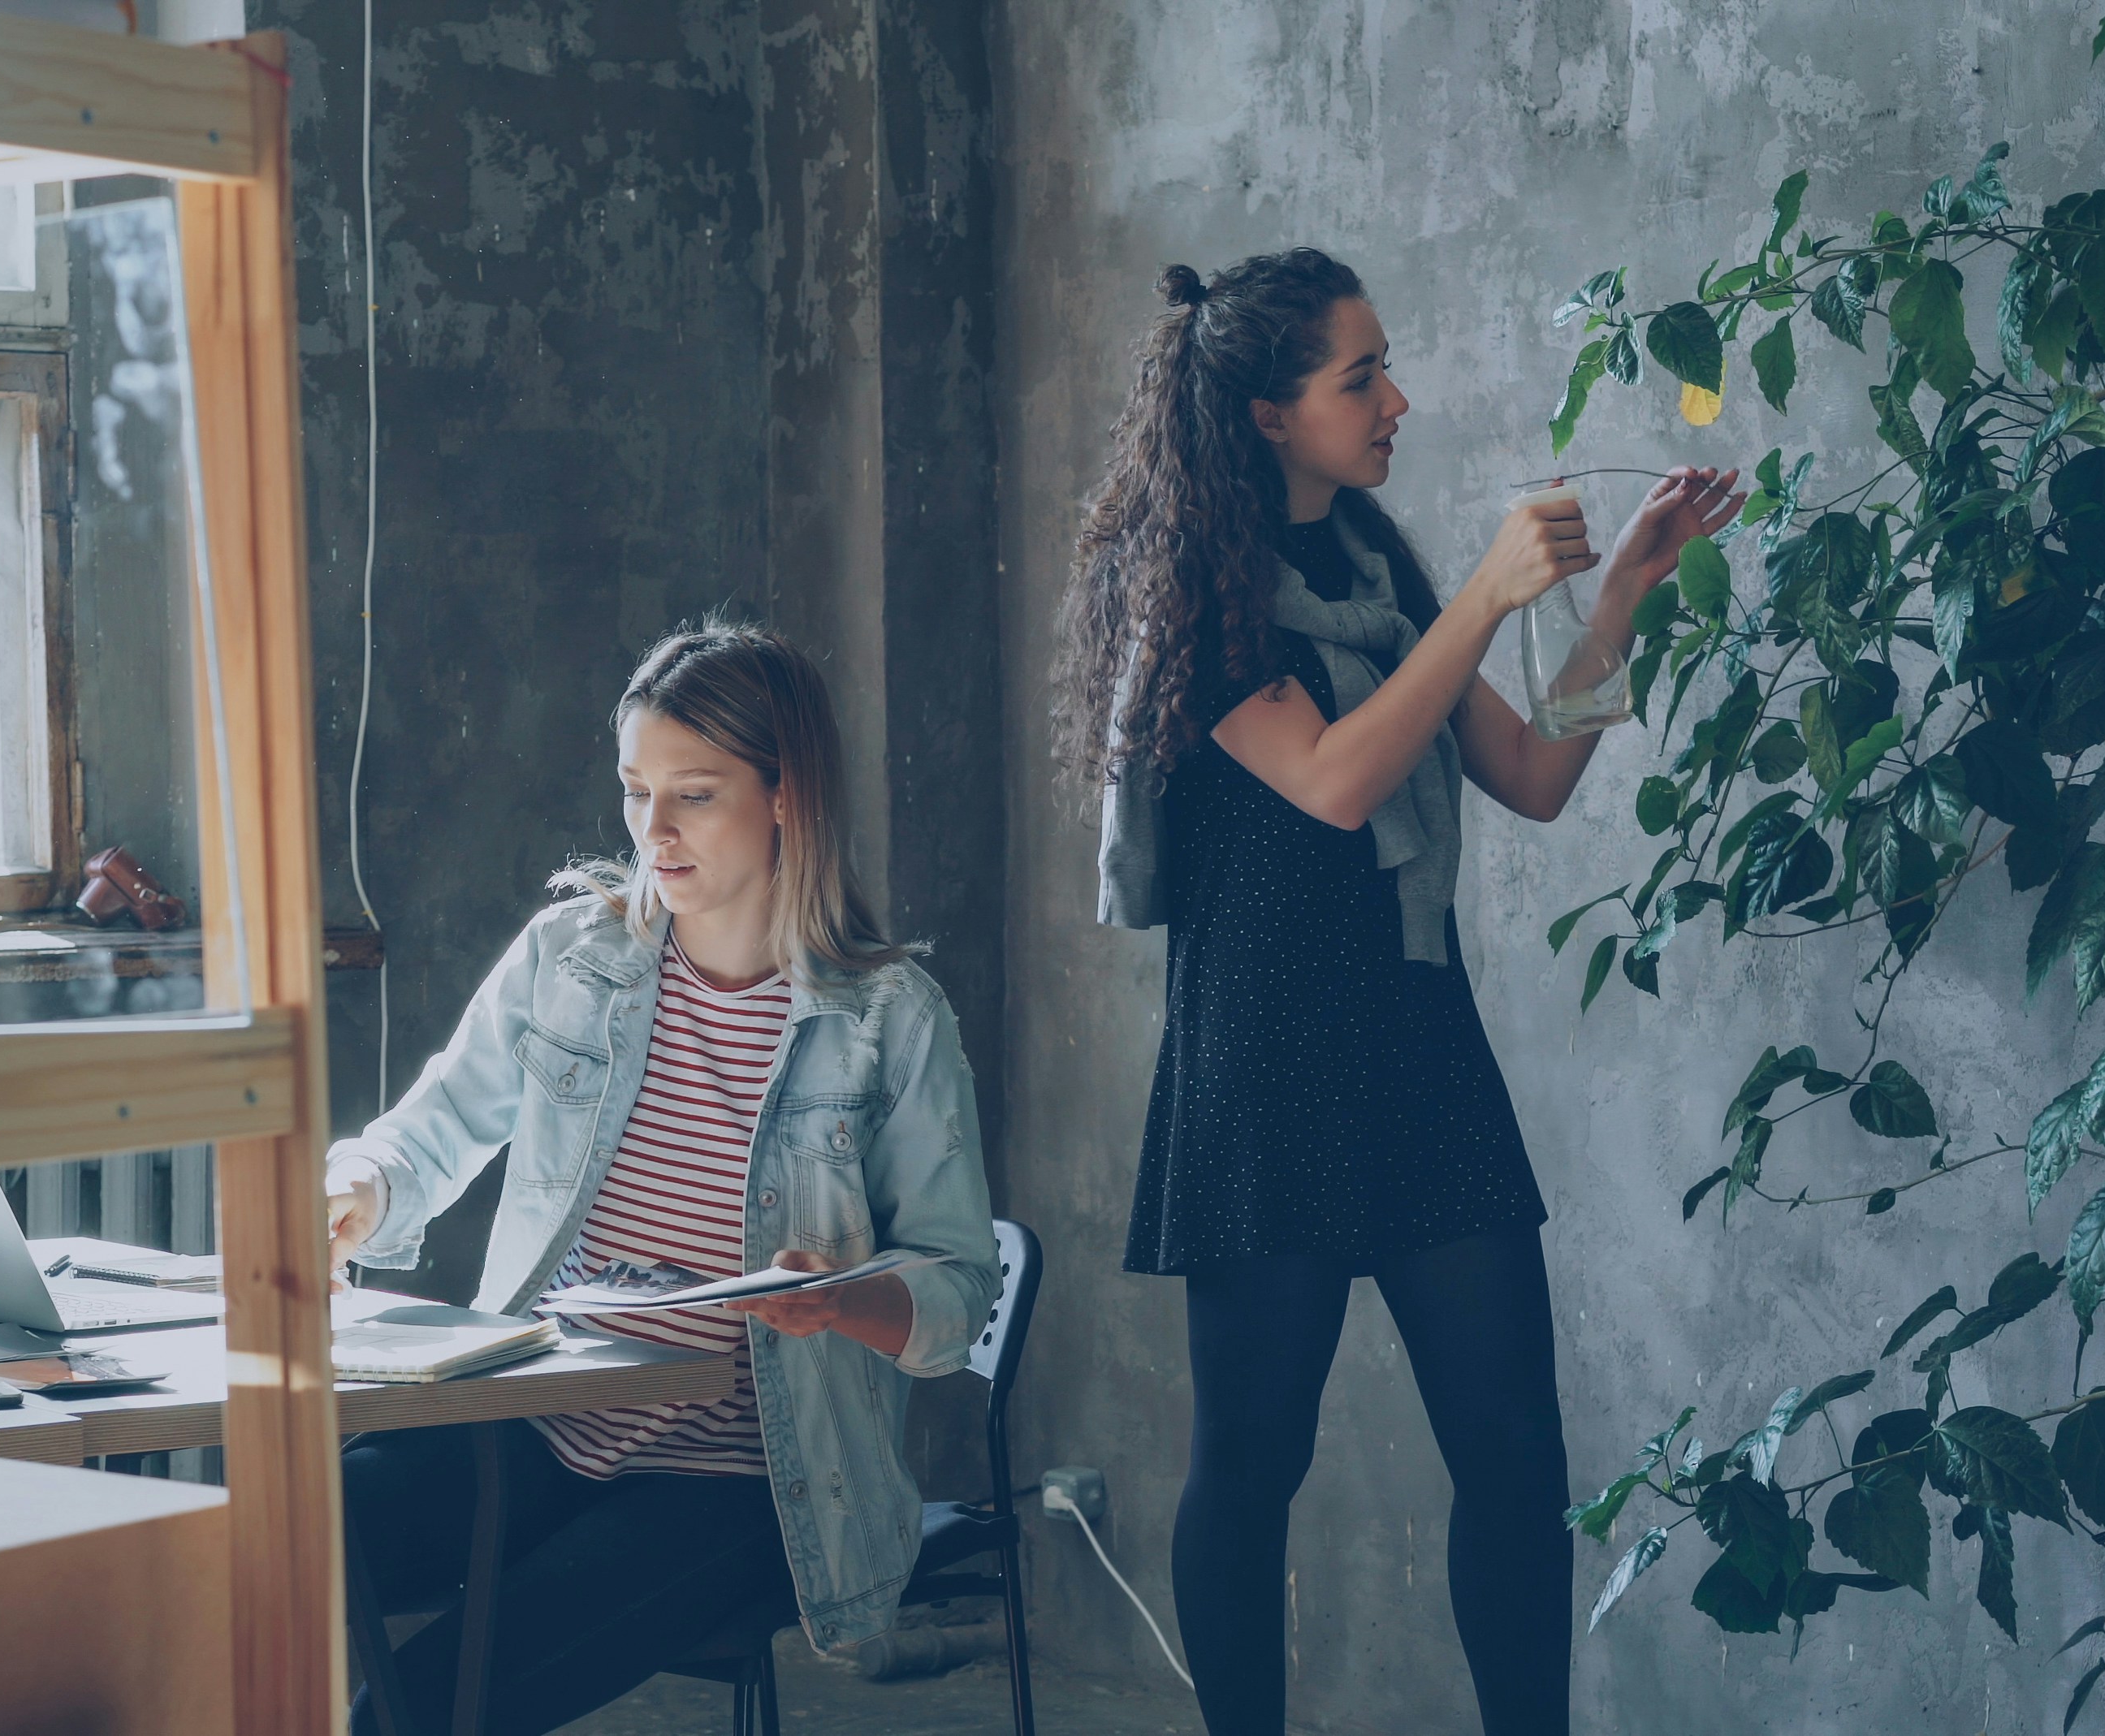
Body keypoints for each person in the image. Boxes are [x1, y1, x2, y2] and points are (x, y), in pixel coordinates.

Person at [1053, 247, 1740, 1736]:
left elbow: (1536, 775)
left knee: (1513, 1459)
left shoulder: (1379, 566)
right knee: (1250, 1463)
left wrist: (1613, 596)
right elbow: (1333, 782)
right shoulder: (1192, 590)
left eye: (1385, 368)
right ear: (1261, 413)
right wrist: (1489, 596)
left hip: (1419, 1046)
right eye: (1360, 377)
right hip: (1267, 1068)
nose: (1395, 401)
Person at [323, 620, 1001, 1735]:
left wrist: (841, 1298)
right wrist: (358, 1186)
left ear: (788, 795)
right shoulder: (568, 959)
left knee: (416, 1710)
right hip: (541, 1421)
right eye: (636, 790)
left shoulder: (890, 1023)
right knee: (263, 1549)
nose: (654, 831)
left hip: (745, 1482)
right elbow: (430, 1129)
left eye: (694, 794)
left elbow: (958, 1290)